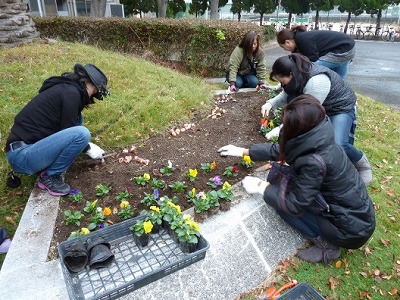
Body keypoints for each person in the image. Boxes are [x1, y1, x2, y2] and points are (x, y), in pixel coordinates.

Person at [218, 95, 376, 264]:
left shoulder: (314, 161)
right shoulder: (320, 136)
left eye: (287, 124)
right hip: (356, 215)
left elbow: (294, 204)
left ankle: (328, 247)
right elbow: (286, 150)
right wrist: (243, 151)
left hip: (350, 230)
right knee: (281, 180)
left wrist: (260, 187)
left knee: (282, 206)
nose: (283, 127)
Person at [261, 53, 372, 185]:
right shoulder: (296, 75)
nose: (282, 85)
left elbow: (306, 113)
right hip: (319, 105)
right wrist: (270, 103)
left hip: (340, 107)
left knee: (338, 144)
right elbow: (287, 93)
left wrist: (281, 128)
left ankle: (363, 166)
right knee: (313, 140)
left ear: (291, 74)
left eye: (282, 81)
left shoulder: (316, 81)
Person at [4, 64, 109, 196]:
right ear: (88, 84)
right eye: (94, 90)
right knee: (82, 134)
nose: (93, 94)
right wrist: (88, 148)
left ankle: (49, 164)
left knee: (78, 120)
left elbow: (65, 129)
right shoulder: (72, 94)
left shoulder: (66, 89)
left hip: (24, 149)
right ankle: (50, 176)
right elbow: (71, 132)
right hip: (22, 156)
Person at [277, 25, 355, 78]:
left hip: (343, 50)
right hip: (348, 47)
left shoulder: (302, 39)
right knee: (339, 78)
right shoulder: (300, 38)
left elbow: (312, 60)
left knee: (311, 70)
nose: (285, 50)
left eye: (283, 47)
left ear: (287, 42)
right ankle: (345, 98)